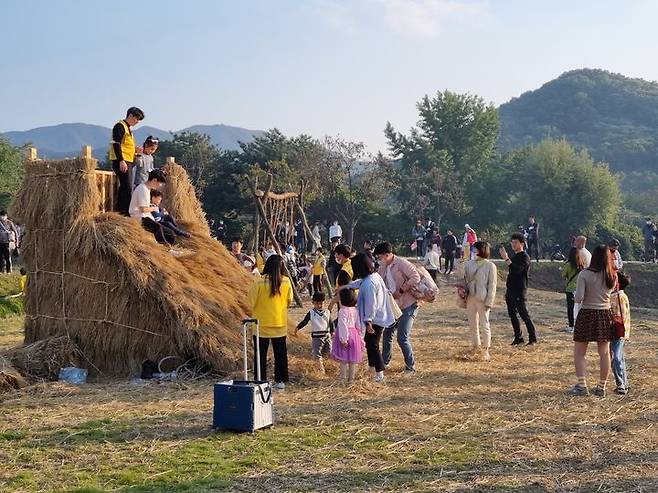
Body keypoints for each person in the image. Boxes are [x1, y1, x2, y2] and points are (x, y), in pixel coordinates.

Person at [569, 245, 617, 397]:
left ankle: (582, 385)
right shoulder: (612, 275)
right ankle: (601, 386)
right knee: (604, 353)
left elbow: (579, 298)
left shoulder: (585, 274)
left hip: (588, 313)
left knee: (579, 352)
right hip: (605, 314)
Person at [348, 253, 396, 382]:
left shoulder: (370, 283)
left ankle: (380, 373)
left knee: (373, 344)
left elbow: (371, 304)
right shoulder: (373, 276)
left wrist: (368, 322)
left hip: (375, 318)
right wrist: (347, 286)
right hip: (378, 315)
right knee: (370, 342)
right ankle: (372, 368)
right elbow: (360, 283)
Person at [373, 242, 421, 374]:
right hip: (394, 306)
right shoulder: (383, 267)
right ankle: (384, 362)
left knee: (402, 337)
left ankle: (410, 367)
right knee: (387, 333)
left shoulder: (401, 263)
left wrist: (401, 289)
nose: (379, 260)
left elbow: (415, 277)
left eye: (380, 257)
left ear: (387, 255)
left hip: (408, 304)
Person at [248, 255, 293, 390]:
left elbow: (250, 301)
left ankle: (260, 381)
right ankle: (281, 381)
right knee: (280, 354)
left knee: (260, 354)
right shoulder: (285, 282)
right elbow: (289, 300)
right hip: (279, 323)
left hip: (260, 324)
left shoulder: (259, 282)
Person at [499, 233, 538, 346]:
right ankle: (518, 337)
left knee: (524, 314)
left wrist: (506, 258)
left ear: (522, 243)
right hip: (510, 290)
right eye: (512, 242)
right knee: (512, 314)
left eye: (515, 242)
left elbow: (517, 270)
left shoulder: (524, 257)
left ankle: (533, 338)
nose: (513, 244)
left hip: (519, 290)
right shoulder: (515, 256)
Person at [463, 241, 497, 361]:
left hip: (482, 298)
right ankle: (475, 346)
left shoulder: (490, 266)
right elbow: (463, 278)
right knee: (473, 324)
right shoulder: (469, 264)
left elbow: (492, 285)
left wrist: (489, 301)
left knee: (484, 324)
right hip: (471, 297)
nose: (473, 251)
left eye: (475, 249)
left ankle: (486, 348)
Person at [109, 107, 145, 215]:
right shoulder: (120, 126)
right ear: (130, 116)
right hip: (122, 161)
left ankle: (122, 210)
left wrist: (135, 150)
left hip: (129, 160)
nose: (137, 122)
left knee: (126, 186)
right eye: (137, 119)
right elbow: (116, 144)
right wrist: (121, 160)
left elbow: (126, 145)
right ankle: (124, 211)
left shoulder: (129, 129)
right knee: (127, 187)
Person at [128, 170, 176, 245]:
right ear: (154, 180)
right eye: (159, 183)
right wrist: (155, 208)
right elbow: (143, 209)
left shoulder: (147, 189)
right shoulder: (142, 189)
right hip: (139, 217)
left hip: (146, 216)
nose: (159, 186)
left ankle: (170, 247)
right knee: (158, 228)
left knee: (170, 233)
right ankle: (167, 248)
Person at [330, 288, 365, 382]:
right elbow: (358, 324)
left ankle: (342, 379)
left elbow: (343, 325)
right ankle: (351, 379)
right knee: (353, 360)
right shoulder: (355, 310)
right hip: (355, 334)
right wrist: (360, 336)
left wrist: (343, 339)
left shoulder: (342, 311)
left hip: (346, 335)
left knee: (344, 359)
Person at [295, 292, 332, 373]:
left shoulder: (327, 312)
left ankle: (328, 367)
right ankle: (321, 370)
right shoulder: (311, 312)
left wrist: (333, 332)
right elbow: (305, 321)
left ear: (324, 302)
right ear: (313, 303)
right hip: (316, 337)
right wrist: (297, 328)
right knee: (317, 354)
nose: (319, 305)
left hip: (327, 336)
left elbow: (331, 323)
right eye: (317, 303)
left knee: (328, 352)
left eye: (321, 303)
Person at [610, 271, 631, 395]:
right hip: (618, 331)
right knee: (618, 357)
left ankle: (621, 384)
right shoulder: (617, 296)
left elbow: (619, 317)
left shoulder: (619, 297)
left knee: (616, 358)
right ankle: (624, 383)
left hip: (618, 331)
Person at [561, 247, 584, 334]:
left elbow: (563, 276)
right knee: (579, 308)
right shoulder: (582, 264)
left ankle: (571, 326)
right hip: (580, 289)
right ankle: (580, 325)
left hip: (570, 289)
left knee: (570, 308)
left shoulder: (568, 265)